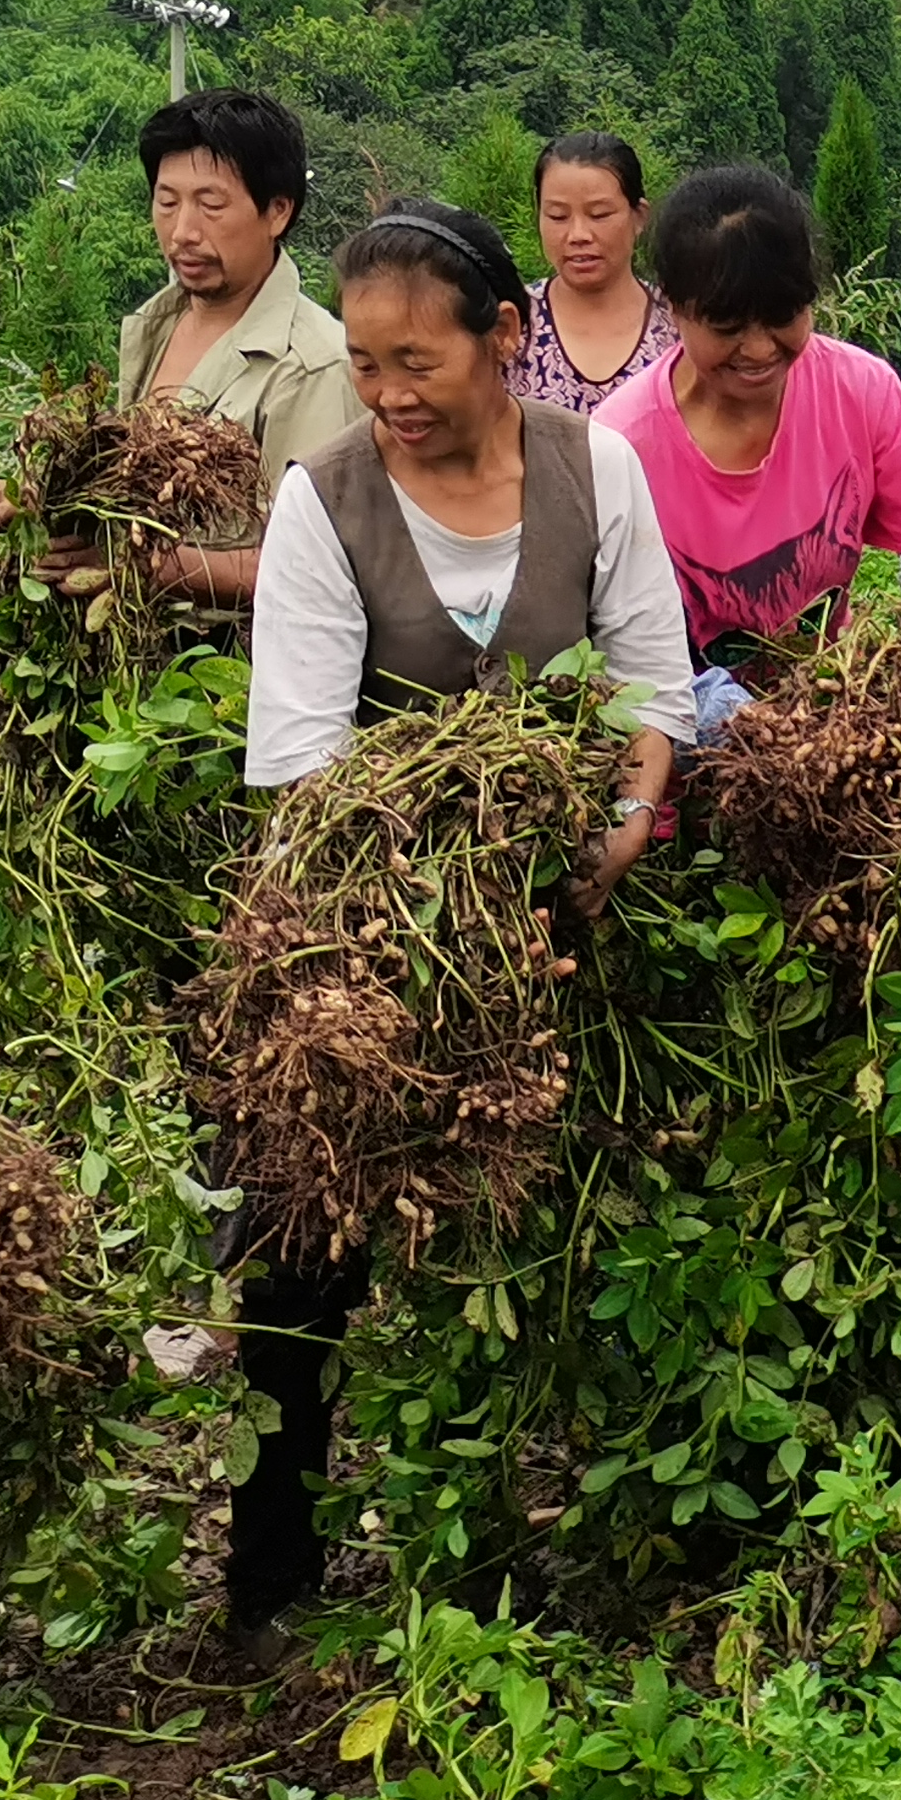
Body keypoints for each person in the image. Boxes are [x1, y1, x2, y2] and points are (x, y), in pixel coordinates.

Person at [223, 199, 691, 1625]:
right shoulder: (325, 496)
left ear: (504, 339)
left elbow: (652, 688)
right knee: (302, 1235)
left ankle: (570, 1536)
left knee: (580, 1215)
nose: (388, 395)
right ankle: (275, 1563)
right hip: (363, 929)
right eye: (366, 365)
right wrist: (434, 892)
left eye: (416, 362)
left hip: (571, 912)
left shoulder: (594, 466)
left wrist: (614, 835)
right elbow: (301, 761)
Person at [598, 168, 901, 737]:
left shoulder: (859, 389)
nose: (760, 349)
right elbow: (626, 656)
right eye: (728, 326)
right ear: (673, 306)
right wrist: (763, 737)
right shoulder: (621, 444)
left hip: (834, 729)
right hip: (682, 764)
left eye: (783, 316)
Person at [0, 87, 359, 598]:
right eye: (167, 203)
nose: (183, 232)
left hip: (226, 670)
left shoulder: (313, 366)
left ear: (277, 211)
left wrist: (140, 566)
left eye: (210, 205)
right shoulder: (157, 325)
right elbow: (133, 498)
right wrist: (33, 501)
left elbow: (317, 565)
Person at [510, 129, 681, 417]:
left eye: (599, 214)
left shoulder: (678, 322)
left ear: (639, 216)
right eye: (558, 216)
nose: (578, 235)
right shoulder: (513, 324)